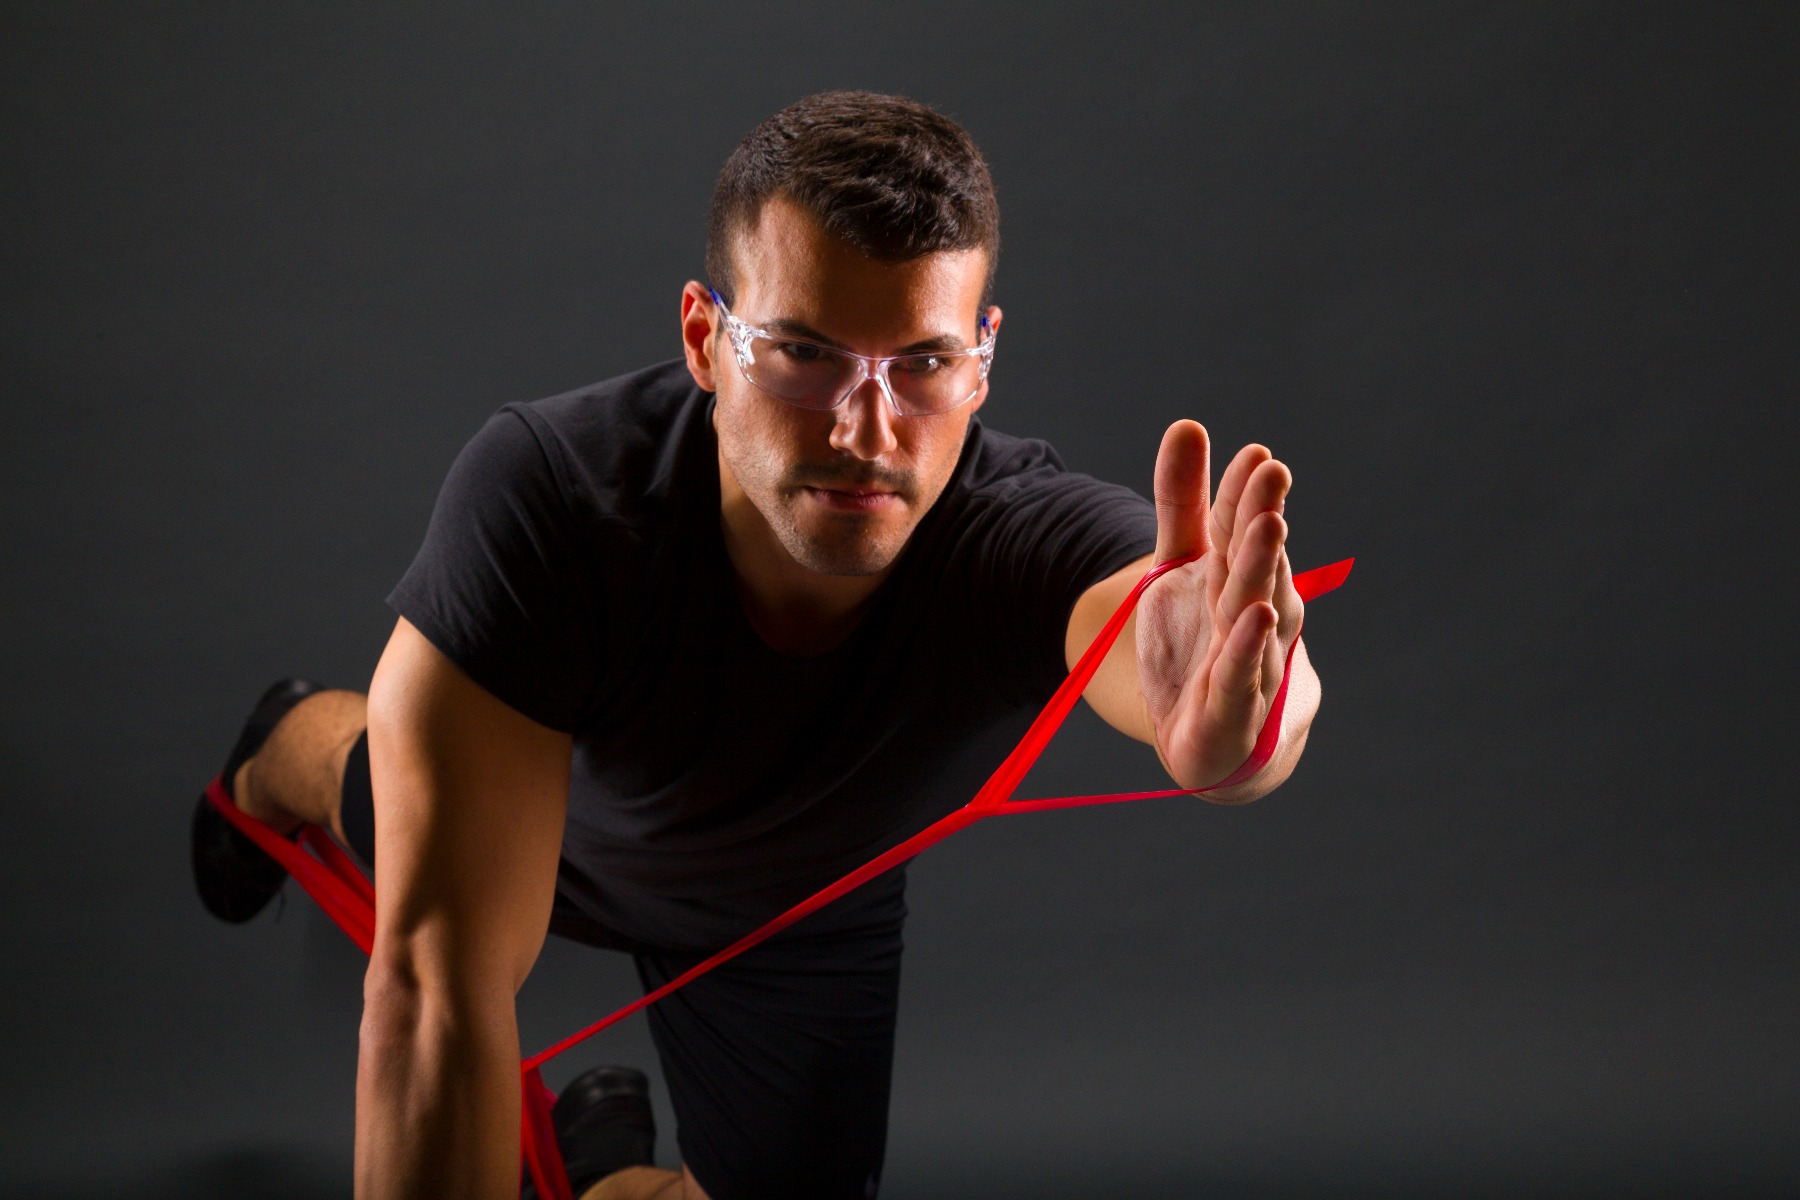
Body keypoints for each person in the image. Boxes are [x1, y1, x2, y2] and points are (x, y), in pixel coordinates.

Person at [190, 90, 1321, 1200]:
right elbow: (437, 997)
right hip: (551, 825)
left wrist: (1240, 723)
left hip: (789, 906)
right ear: (705, 339)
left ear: (981, 362)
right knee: (378, 795)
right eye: (804, 354)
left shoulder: (1013, 532)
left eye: (922, 365)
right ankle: (279, 739)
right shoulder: (550, 494)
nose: (864, 432)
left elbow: (1156, 628)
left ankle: (605, 1170)